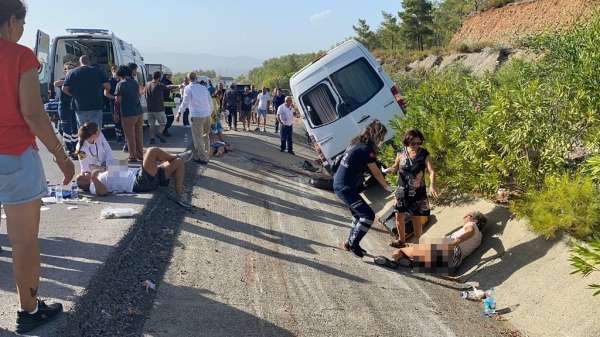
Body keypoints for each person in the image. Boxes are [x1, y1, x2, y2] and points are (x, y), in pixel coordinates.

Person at [0, 1, 75, 332]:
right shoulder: (20, 56)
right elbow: (32, 112)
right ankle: (29, 311)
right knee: (23, 242)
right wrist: (60, 154)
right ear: (12, 20)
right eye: (22, 23)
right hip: (14, 157)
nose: (23, 30)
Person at [333, 120, 393, 258]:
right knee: (368, 216)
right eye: (381, 137)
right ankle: (353, 244)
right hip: (345, 187)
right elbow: (376, 172)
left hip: (341, 184)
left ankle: (349, 243)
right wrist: (386, 186)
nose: (382, 141)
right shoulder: (366, 149)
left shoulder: (356, 144)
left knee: (357, 215)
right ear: (375, 136)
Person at [374, 212, 486, 271]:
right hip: (453, 264)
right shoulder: (479, 238)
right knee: (413, 253)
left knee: (399, 253)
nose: (464, 218)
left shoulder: (472, 225)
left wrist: (453, 243)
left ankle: (398, 261)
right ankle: (411, 263)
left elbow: (469, 231)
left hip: (449, 250)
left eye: (466, 216)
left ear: (473, 218)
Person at [76, 148, 192, 202]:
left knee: (178, 163)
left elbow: (125, 167)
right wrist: (94, 177)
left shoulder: (101, 173)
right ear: (85, 181)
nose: (85, 172)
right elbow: (103, 192)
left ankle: (179, 192)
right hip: (138, 182)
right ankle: (177, 156)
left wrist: (104, 168)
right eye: (84, 174)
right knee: (152, 151)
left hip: (139, 174)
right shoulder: (92, 186)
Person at [385, 129, 438, 248]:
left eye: (419, 143)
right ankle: (401, 241)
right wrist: (390, 170)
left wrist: (432, 185)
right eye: (414, 143)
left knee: (416, 218)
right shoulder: (401, 153)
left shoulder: (424, 154)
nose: (417, 146)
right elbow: (395, 167)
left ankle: (419, 243)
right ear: (407, 142)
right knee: (399, 215)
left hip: (417, 191)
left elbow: (432, 171)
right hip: (401, 190)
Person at [62, 55, 111, 128]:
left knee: (83, 130)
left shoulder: (71, 72)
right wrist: (106, 91)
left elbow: (64, 88)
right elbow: (107, 85)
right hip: (96, 105)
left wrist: (73, 95)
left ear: (80, 62)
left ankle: (84, 139)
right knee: (96, 130)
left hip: (79, 106)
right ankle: (94, 139)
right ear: (89, 62)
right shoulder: (97, 71)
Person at [177, 73, 213, 164]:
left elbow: (185, 102)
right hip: (207, 115)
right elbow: (210, 101)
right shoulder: (203, 88)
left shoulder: (188, 88)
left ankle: (203, 158)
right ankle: (206, 154)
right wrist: (210, 112)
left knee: (198, 138)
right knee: (205, 136)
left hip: (197, 115)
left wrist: (179, 113)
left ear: (188, 79)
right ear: (196, 78)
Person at [114, 65, 144, 163]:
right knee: (138, 135)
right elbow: (139, 95)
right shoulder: (135, 82)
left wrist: (116, 113)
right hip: (139, 112)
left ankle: (132, 156)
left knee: (130, 136)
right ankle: (140, 155)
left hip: (128, 113)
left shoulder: (120, 84)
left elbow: (118, 101)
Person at [144, 71, 178, 145]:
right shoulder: (159, 85)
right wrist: (178, 86)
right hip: (158, 109)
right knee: (163, 123)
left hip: (149, 109)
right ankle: (159, 133)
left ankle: (152, 139)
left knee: (151, 125)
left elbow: (144, 93)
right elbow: (168, 87)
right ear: (159, 77)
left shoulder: (147, 84)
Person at [53, 61, 78, 158]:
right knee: (66, 129)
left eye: (72, 68)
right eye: (68, 69)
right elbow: (56, 83)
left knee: (75, 129)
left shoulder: (76, 79)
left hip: (74, 107)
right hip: (64, 107)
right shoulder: (64, 79)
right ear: (65, 71)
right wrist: (68, 81)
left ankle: (76, 149)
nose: (70, 70)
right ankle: (69, 149)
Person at [108, 65, 124, 143]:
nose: (115, 72)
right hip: (114, 104)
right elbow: (106, 94)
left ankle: (123, 135)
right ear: (112, 71)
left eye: (117, 71)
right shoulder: (110, 81)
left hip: (122, 104)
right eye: (114, 71)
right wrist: (115, 98)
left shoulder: (121, 81)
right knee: (116, 120)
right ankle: (119, 136)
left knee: (123, 120)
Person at [161, 73, 175, 137]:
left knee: (166, 118)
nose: (170, 76)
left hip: (162, 102)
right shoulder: (167, 82)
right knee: (171, 117)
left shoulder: (162, 82)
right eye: (169, 75)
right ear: (166, 75)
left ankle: (164, 130)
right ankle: (164, 130)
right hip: (167, 102)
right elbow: (170, 92)